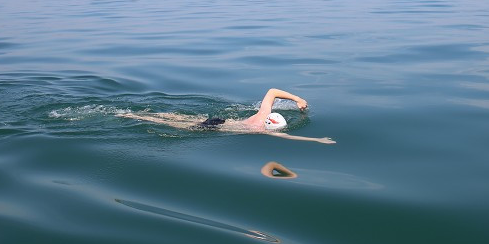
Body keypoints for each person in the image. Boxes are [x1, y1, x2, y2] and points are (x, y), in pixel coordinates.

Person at [117, 88, 335, 144]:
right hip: (214, 128)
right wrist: (317, 139)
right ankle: (138, 117)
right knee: (179, 126)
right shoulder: (261, 129)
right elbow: (291, 138)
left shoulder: (262, 115)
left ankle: (144, 114)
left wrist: (297, 99)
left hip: (219, 121)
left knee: (177, 117)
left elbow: (272, 91)